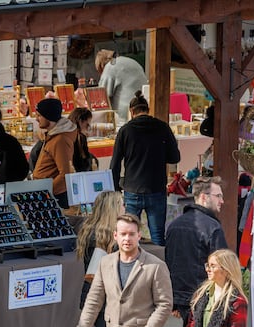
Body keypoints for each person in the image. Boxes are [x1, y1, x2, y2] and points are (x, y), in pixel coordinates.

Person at [74, 191, 124, 327]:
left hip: (98, 298)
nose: (124, 207)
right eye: (121, 204)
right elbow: (95, 275)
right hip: (103, 300)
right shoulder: (103, 239)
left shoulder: (91, 232)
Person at [110, 91, 180, 246]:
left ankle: (130, 267)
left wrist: (115, 189)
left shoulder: (125, 131)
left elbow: (115, 164)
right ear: (147, 110)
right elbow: (175, 158)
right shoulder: (162, 128)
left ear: (132, 111)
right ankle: (159, 268)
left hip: (132, 189)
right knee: (157, 236)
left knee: (128, 236)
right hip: (156, 189)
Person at [165, 176, 228, 327]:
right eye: (218, 196)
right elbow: (222, 267)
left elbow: (169, 263)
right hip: (205, 298)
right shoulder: (212, 227)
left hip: (183, 298)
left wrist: (175, 299)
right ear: (204, 197)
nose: (222, 201)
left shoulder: (174, 225)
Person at [31, 97, 77, 208]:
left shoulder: (60, 140)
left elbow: (65, 174)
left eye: (39, 115)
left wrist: (47, 192)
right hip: (48, 192)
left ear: (49, 116)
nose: (36, 119)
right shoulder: (53, 136)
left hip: (53, 197)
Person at [95, 49, 147, 125]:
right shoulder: (132, 62)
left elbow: (101, 98)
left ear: (101, 65)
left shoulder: (110, 66)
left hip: (123, 117)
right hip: (142, 110)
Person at [69, 107, 98, 173]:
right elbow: (83, 163)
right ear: (80, 121)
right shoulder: (80, 138)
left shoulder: (65, 134)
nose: (87, 128)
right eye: (87, 125)